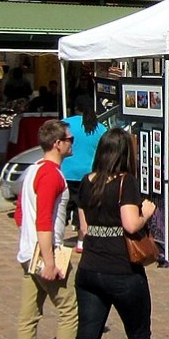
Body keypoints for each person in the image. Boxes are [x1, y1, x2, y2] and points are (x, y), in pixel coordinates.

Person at [65, 128, 157, 339]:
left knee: (85, 337)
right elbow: (131, 224)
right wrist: (146, 213)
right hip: (121, 270)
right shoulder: (125, 182)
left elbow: (84, 229)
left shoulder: (88, 181)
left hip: (89, 269)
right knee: (138, 334)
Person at [14, 119, 78, 339]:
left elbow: (21, 214)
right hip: (44, 252)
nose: (72, 143)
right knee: (69, 309)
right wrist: (49, 261)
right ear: (57, 143)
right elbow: (43, 221)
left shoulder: (33, 169)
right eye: (69, 140)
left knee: (28, 315)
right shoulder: (52, 175)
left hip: (28, 251)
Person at [60, 96, 107, 250]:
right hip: (89, 174)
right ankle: (81, 241)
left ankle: (57, 240)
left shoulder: (66, 124)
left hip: (66, 171)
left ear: (76, 108)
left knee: (62, 208)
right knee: (84, 208)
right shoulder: (100, 128)